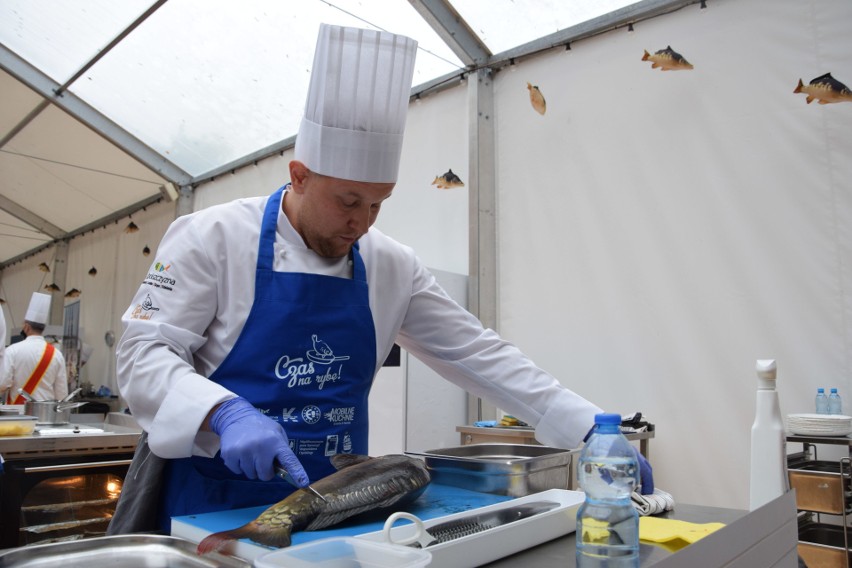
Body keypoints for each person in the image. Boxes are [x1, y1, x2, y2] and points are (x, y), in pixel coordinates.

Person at [112, 23, 653, 534]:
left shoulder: (392, 265)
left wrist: (586, 426)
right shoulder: (211, 237)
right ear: (299, 175)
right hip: (213, 506)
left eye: (377, 204)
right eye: (348, 201)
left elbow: (478, 353)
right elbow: (143, 354)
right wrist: (222, 411)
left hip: (338, 506)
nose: (362, 222)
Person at [1, 292, 68, 403]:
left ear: (27, 327)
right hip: (45, 415)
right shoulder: (56, 354)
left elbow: (3, 383)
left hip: (17, 412)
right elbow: (61, 393)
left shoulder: (13, 350)